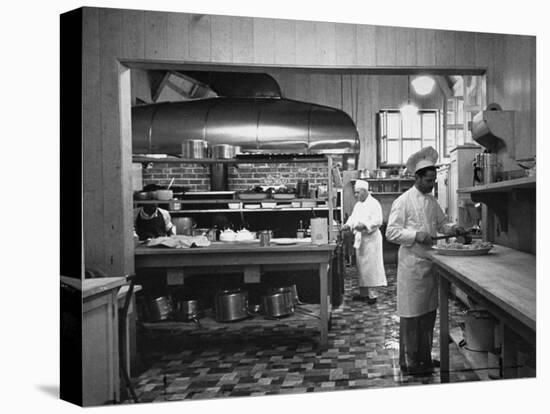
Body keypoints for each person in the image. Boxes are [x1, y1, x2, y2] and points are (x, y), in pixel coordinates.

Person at [386, 146, 465, 375]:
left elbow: (442, 224)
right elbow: (391, 232)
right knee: (412, 316)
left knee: (429, 315)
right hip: (411, 266)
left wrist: (453, 228)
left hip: (430, 266)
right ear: (417, 177)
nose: (432, 185)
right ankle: (410, 363)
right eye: (428, 181)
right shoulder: (403, 201)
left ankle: (425, 358)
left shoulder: (431, 202)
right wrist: (415, 235)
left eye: (433, 181)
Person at [342, 179, 387, 304]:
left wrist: (365, 225)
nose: (356, 195)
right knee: (362, 268)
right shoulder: (358, 205)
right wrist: (347, 225)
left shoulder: (374, 203)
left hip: (371, 240)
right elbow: (353, 218)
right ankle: (363, 294)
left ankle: (373, 296)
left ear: (364, 191)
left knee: (371, 268)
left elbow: (378, 220)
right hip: (361, 241)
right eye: (355, 193)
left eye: (357, 193)